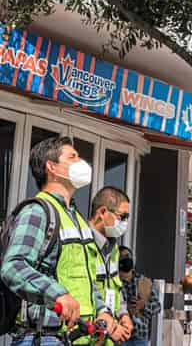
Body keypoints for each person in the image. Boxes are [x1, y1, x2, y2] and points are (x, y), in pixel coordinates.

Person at [0, 137, 116, 345]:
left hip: (79, 337)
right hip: (44, 337)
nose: (81, 162)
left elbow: (87, 279)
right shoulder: (37, 211)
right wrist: (58, 294)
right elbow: (13, 266)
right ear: (51, 167)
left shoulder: (78, 219)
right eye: (72, 156)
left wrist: (102, 311)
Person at [88, 187, 134, 343]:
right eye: (123, 216)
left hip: (106, 336)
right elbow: (85, 289)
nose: (125, 223)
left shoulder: (113, 248)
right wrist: (111, 326)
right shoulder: (82, 242)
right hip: (86, 334)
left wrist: (123, 314)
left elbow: (114, 287)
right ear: (102, 212)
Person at [118, 246, 161, 346]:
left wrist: (143, 306)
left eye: (127, 256)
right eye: (122, 257)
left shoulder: (144, 281)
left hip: (140, 337)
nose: (126, 259)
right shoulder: (114, 281)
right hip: (121, 337)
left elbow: (157, 306)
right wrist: (124, 308)